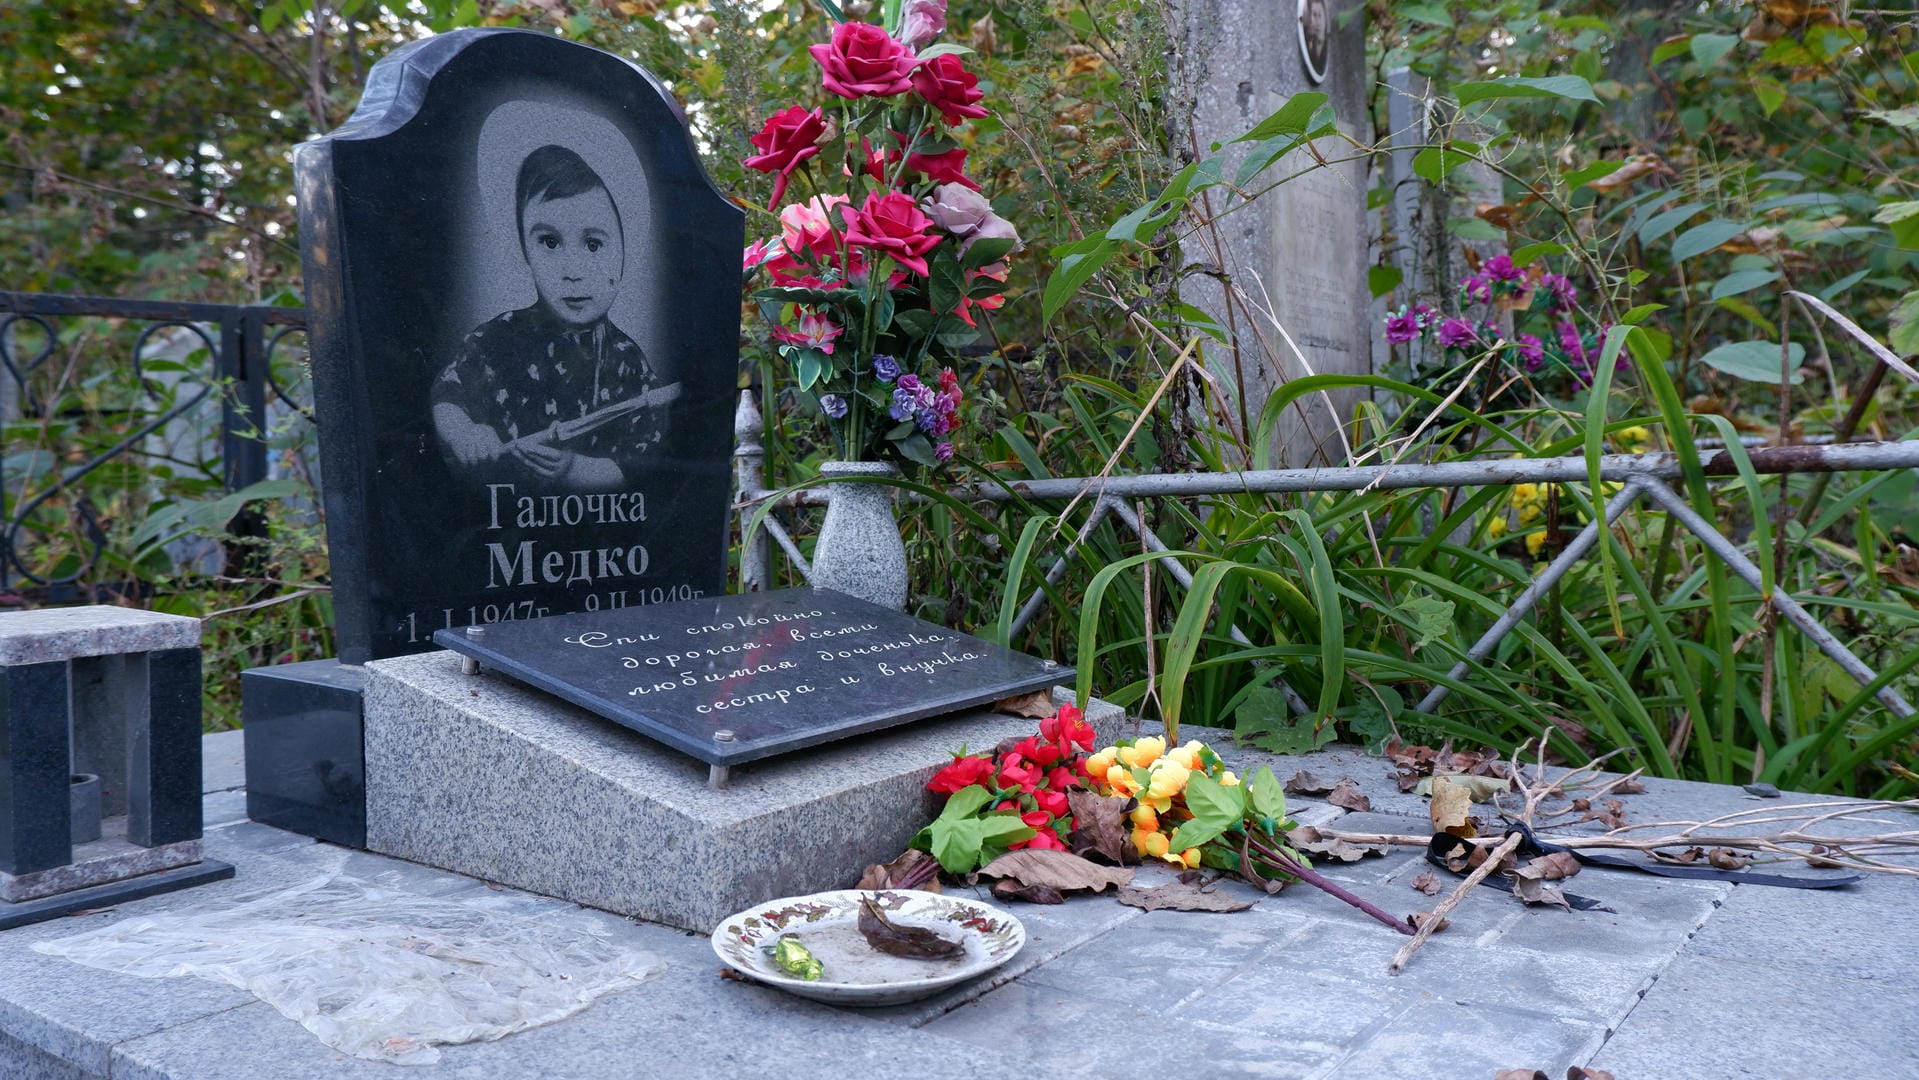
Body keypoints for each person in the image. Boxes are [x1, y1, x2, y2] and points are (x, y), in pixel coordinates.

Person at [432, 144, 677, 490]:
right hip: (500, 511)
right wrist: (466, 433)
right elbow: (449, 396)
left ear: (624, 252)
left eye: (593, 244)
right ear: (525, 251)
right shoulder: (495, 340)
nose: (572, 271)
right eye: (549, 242)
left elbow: (645, 457)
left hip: (595, 519)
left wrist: (576, 470)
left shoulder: (626, 358)